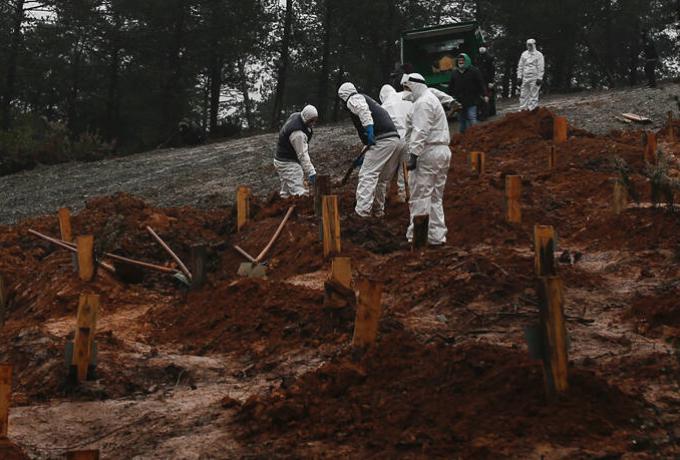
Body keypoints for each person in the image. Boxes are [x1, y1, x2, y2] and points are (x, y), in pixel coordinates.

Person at [338, 82, 406, 218]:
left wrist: (369, 129)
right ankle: (378, 211)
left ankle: (362, 212)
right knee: (381, 178)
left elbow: (364, 111)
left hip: (383, 140)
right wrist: (363, 156)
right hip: (395, 140)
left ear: (343, 96)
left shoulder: (353, 98)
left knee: (367, 174)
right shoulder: (369, 100)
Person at [402, 73, 451, 245]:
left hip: (428, 152)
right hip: (442, 151)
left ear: (414, 86)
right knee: (435, 197)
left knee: (420, 196)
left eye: (407, 87)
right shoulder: (431, 98)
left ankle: (417, 238)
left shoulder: (422, 103)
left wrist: (413, 155)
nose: (405, 91)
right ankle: (436, 237)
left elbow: (420, 130)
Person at [274, 105, 318, 198]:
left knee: (286, 192)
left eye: (315, 120)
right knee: (299, 190)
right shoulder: (298, 134)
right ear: (306, 118)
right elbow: (302, 154)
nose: (313, 123)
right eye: (311, 121)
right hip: (287, 163)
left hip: (280, 159)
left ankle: (284, 202)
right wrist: (311, 171)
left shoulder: (297, 116)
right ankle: (303, 204)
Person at [379, 83, 413, 202]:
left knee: (387, 169)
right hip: (409, 138)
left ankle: (383, 195)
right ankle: (403, 194)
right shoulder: (405, 97)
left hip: (392, 139)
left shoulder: (382, 107)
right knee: (405, 169)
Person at [447, 53, 487, 133]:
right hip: (459, 101)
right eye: (459, 60)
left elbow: (481, 83)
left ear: (467, 61)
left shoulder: (474, 71)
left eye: (462, 60)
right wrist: (449, 98)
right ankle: (463, 136)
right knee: (462, 120)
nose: (461, 62)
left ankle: (476, 134)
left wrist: (485, 95)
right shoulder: (454, 73)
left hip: (472, 99)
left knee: (472, 118)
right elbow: (451, 86)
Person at [517, 38, 545, 111]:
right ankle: (523, 109)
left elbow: (541, 67)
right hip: (525, 77)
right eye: (528, 45)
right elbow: (520, 66)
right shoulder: (524, 54)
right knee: (523, 94)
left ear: (534, 45)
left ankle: (532, 110)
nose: (529, 46)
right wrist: (519, 77)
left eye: (530, 45)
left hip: (534, 77)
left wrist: (539, 78)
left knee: (534, 95)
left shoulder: (539, 55)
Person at [477, 46, 497, 119]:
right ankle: (486, 112)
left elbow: (492, 70)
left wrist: (491, 81)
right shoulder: (478, 58)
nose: (481, 49)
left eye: (483, 48)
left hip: (488, 80)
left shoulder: (489, 58)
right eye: (480, 48)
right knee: (484, 96)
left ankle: (492, 111)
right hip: (481, 80)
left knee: (490, 96)